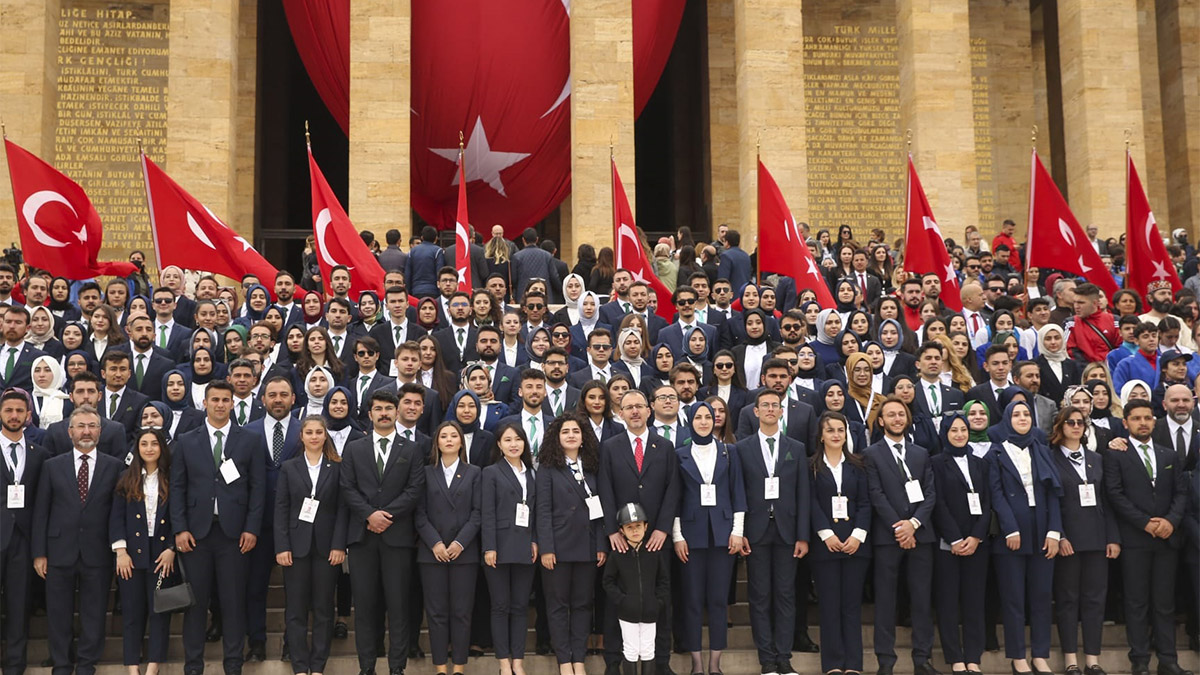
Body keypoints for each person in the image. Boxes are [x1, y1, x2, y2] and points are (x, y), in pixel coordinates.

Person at [170, 379, 265, 675]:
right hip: (196, 535)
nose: (221, 405)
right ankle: (193, 666)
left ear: (233, 404)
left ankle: (233, 665)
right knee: (195, 604)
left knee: (233, 602)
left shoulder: (249, 439)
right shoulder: (187, 440)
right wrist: (180, 528)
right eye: (215, 400)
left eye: (226, 400)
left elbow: (257, 488)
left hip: (234, 536)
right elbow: (177, 488)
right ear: (205, 403)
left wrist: (252, 528)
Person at [341, 388, 426, 675]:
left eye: (389, 409)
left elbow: (415, 489)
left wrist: (386, 515)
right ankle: (366, 667)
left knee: (399, 606)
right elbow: (347, 487)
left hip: (397, 536)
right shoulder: (354, 448)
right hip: (363, 538)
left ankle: (397, 668)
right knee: (364, 606)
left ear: (397, 412)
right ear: (370, 414)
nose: (384, 413)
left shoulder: (411, 449)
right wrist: (369, 515)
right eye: (378, 409)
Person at [32, 406, 121, 675]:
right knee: (58, 613)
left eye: (92, 426)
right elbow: (41, 511)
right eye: (80, 426)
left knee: (94, 613)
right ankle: (61, 663)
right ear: (70, 432)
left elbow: (118, 513)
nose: (86, 431)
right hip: (59, 550)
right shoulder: (51, 466)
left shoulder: (115, 466)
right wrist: (39, 553)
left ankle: (85, 664)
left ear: (100, 431)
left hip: (98, 551)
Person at [1105, 400, 1190, 675]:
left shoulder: (1169, 455)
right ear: (1126, 422)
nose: (1143, 422)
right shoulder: (1116, 455)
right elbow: (1115, 494)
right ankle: (1139, 660)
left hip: (1166, 539)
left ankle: (1168, 660)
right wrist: (1144, 523)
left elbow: (1181, 492)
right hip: (1135, 539)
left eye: (1147, 418)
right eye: (1136, 418)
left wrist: (1170, 521)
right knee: (1136, 602)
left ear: (1154, 421)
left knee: (1164, 603)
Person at [734, 389, 810, 675]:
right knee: (760, 595)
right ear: (755, 412)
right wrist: (739, 532)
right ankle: (767, 659)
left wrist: (803, 534)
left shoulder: (797, 448)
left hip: (788, 532)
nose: (769, 409)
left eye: (774, 405)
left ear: (781, 411)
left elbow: (804, 494)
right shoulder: (742, 448)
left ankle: (784, 657)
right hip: (755, 532)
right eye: (764, 405)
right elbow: (738, 492)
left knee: (786, 595)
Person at [863, 396, 939, 675]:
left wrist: (914, 524)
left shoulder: (921, 453)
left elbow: (930, 493)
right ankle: (886, 661)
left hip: (921, 535)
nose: (897, 419)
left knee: (921, 598)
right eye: (891, 415)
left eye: (901, 414)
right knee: (885, 599)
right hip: (888, 536)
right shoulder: (870, 454)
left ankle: (923, 659)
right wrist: (900, 526)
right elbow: (876, 495)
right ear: (881, 421)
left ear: (907, 419)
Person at [986, 399, 1062, 675]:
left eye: (1026, 414)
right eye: (1016, 414)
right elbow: (995, 494)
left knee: (1042, 596)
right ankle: (1018, 655)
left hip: (1042, 529)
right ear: (1007, 419)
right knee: (1014, 598)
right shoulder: (996, 453)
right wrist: (1010, 528)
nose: (1022, 418)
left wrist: (1055, 531)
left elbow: (1054, 492)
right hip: (1012, 532)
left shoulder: (1042, 450)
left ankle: (1040, 654)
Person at [672, 401, 745, 675]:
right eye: (699, 417)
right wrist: (677, 535)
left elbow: (738, 492)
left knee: (717, 600)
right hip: (690, 537)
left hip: (723, 535)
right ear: (690, 421)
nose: (704, 421)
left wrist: (737, 531)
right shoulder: (679, 454)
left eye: (709, 416)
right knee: (691, 600)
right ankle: (697, 664)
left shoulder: (730, 452)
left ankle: (715, 663)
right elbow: (675, 499)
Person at [1048, 406, 1120, 675]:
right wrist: (1061, 535)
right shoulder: (1050, 457)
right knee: (1067, 599)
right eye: (1070, 422)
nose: (1076, 426)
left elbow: (1107, 501)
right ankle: (1070, 659)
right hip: (1068, 540)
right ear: (1060, 426)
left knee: (1095, 599)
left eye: (1080, 422)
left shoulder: (1096, 459)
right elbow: (1050, 501)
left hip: (1097, 538)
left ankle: (1092, 658)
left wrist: (1112, 537)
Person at [537, 413, 608, 675]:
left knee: (582, 605)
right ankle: (564, 662)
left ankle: (579, 660)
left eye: (575, 431)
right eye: (565, 431)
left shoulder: (592, 466)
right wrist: (546, 548)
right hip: (557, 548)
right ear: (557, 436)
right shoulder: (547, 467)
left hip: (588, 547)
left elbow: (601, 511)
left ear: (583, 437)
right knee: (557, 607)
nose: (570, 435)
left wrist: (601, 544)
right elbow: (542, 511)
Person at [416, 421, 483, 675]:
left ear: (461, 441)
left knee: (462, 612)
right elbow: (419, 514)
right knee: (436, 613)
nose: (449, 440)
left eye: (454, 435)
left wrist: (459, 543)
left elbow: (478, 513)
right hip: (431, 553)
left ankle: (459, 667)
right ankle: (441, 667)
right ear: (437, 442)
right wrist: (435, 542)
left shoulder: (474, 472)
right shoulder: (425, 473)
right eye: (443, 436)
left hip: (463, 553)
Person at [808, 411, 871, 675]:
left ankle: (854, 665)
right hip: (826, 545)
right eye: (831, 430)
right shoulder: (810, 466)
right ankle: (833, 664)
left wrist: (857, 535)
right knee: (830, 605)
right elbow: (810, 503)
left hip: (855, 545)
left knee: (851, 606)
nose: (836, 435)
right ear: (821, 435)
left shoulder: (858, 465)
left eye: (840, 430)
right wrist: (826, 534)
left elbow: (866, 503)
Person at [244, 376, 300, 661]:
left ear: (293, 399)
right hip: (259, 523)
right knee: (254, 587)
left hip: (296, 524)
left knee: (296, 590)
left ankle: (293, 643)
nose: (278, 399)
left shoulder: (306, 431)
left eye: (283, 395)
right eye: (272, 395)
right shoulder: (247, 432)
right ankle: (256, 643)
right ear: (262, 399)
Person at [111, 427, 176, 675]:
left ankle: (153, 666)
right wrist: (121, 552)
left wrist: (172, 548)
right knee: (131, 610)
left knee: (160, 610)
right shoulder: (126, 478)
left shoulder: (172, 478)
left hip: (162, 554)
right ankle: (132, 667)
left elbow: (178, 516)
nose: (149, 448)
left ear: (162, 448)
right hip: (131, 555)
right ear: (137, 449)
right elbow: (116, 518)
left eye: (154, 444)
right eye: (144, 444)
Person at [930, 413, 991, 675]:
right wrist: (955, 538)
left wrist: (976, 536)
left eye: (963, 429)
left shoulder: (980, 463)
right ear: (945, 433)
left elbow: (988, 502)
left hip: (977, 542)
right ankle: (954, 656)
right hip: (948, 543)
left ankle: (973, 656)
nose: (959, 434)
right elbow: (938, 503)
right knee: (948, 601)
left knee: (974, 601)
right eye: (953, 430)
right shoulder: (935, 463)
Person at [482, 422, 538, 675]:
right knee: (500, 605)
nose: (513, 444)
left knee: (519, 606)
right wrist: (489, 546)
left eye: (518, 439)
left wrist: (535, 540)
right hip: (499, 547)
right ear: (499, 445)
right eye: (507, 440)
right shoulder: (491, 472)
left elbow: (536, 511)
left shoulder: (532, 473)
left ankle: (519, 660)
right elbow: (488, 512)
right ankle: (503, 661)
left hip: (526, 546)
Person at [0, 388, 49, 675]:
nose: (14, 415)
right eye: (9, 410)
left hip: (23, 540)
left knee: (18, 607)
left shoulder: (39, 454)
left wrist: (39, 549)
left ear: (28, 415)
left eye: (20, 411)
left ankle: (15, 666)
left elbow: (42, 504)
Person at [604, 502, 669, 675]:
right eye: (629, 527)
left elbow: (663, 581)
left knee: (648, 649)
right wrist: (622, 601)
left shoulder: (654, 552)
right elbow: (608, 581)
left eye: (638, 526)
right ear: (621, 531)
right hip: (627, 613)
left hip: (650, 611)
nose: (635, 531)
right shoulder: (617, 554)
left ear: (646, 527)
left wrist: (658, 602)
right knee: (631, 650)